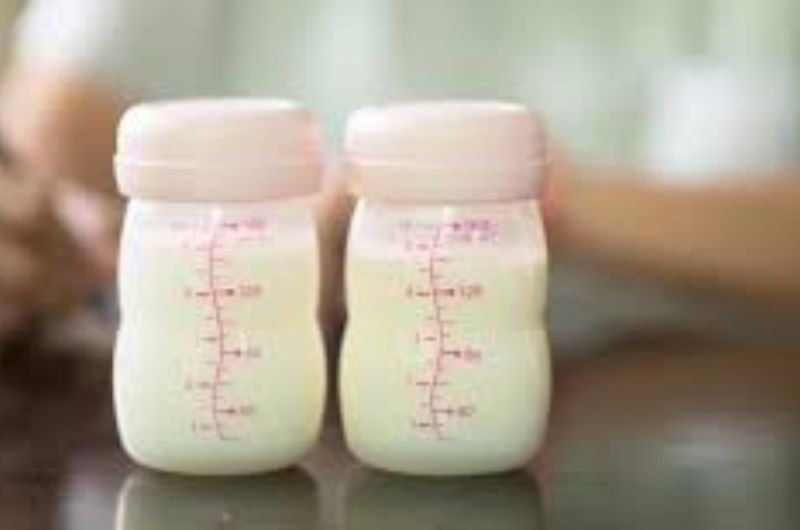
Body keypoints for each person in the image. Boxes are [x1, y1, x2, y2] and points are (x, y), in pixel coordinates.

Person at [0, 0, 798, 354]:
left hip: (686, 413)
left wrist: (511, 191)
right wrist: (54, 230)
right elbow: (49, 127)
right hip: (262, 398)